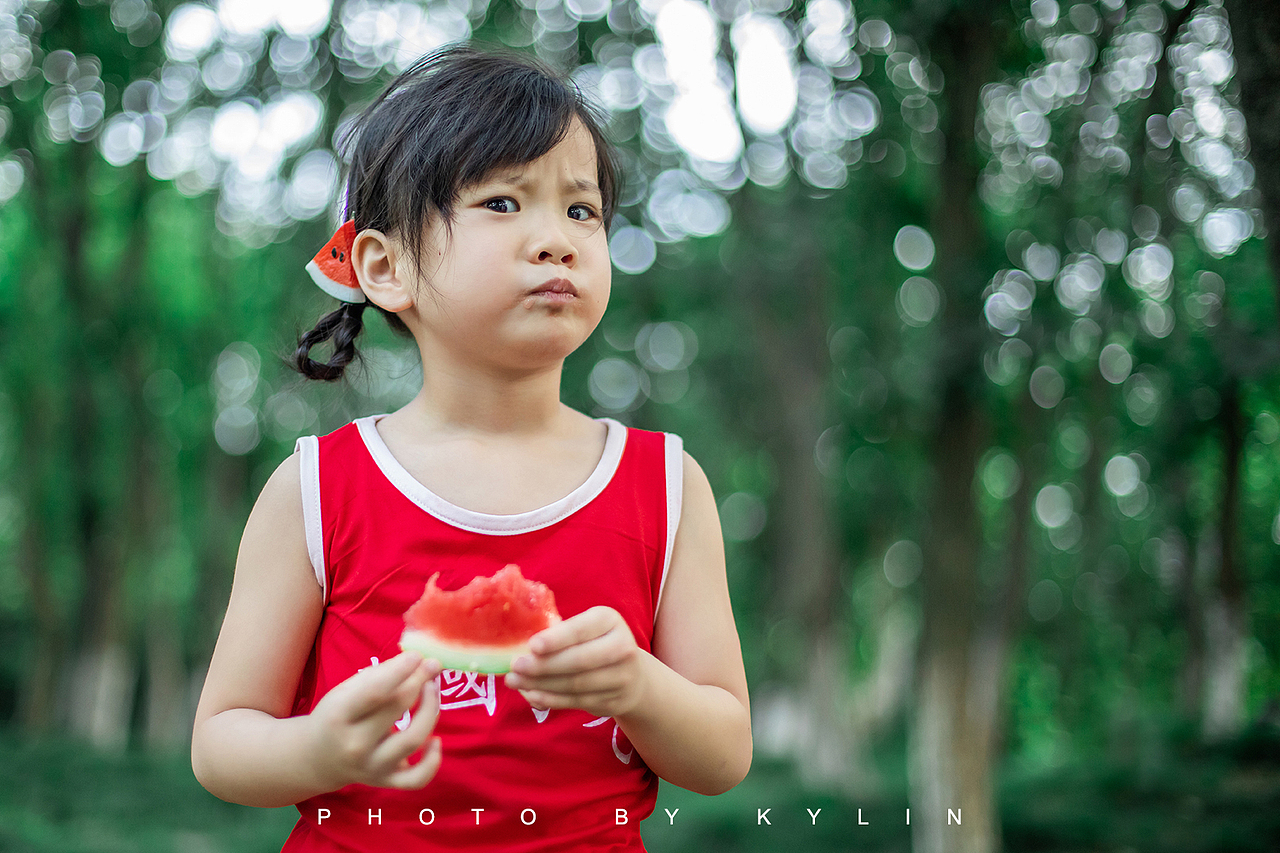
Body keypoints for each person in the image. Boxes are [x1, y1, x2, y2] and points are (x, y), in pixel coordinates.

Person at [190, 45, 751, 852]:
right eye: (502, 201)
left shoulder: (666, 484)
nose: (557, 240)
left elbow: (724, 752)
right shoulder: (316, 488)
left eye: (581, 210)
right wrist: (317, 748)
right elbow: (221, 740)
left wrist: (638, 686)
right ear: (386, 266)